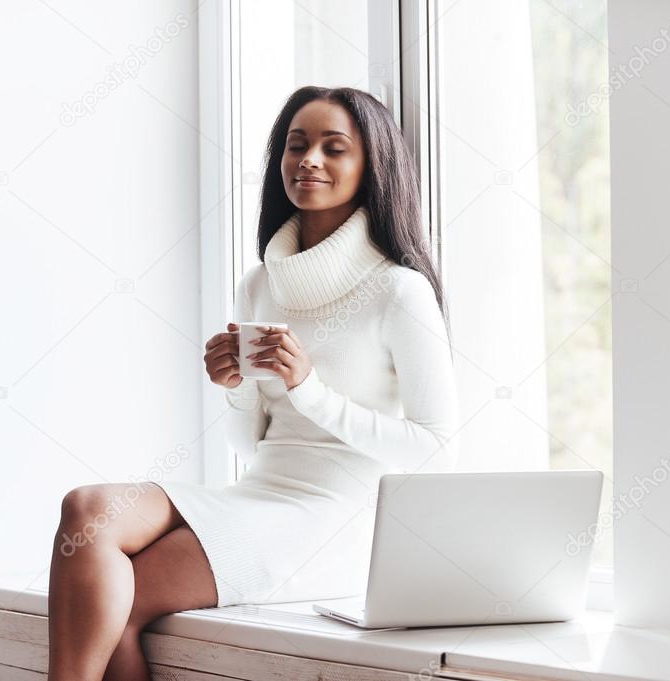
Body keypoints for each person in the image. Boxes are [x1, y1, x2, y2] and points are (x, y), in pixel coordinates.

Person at [46, 85, 460, 681]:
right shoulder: (262, 282)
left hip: (336, 516)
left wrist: (310, 389)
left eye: (332, 147)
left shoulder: (399, 290)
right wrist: (236, 385)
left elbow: (436, 451)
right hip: (261, 493)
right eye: (296, 145)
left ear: (372, 166)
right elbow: (251, 445)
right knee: (87, 510)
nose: (308, 159)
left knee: (121, 608)